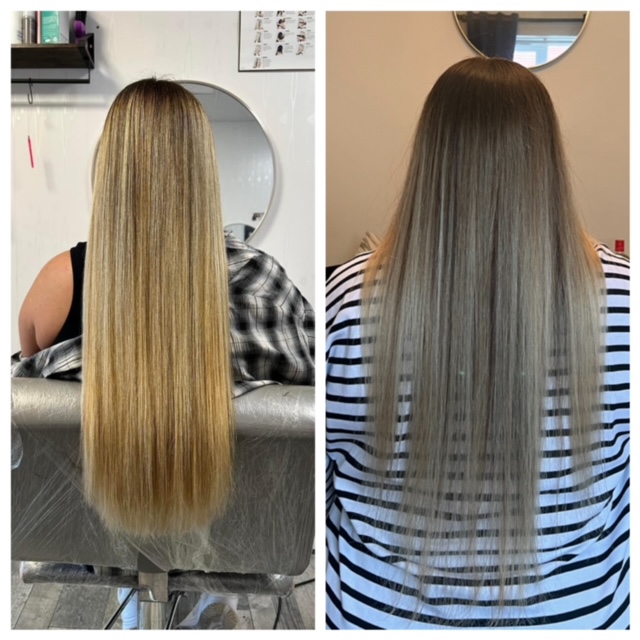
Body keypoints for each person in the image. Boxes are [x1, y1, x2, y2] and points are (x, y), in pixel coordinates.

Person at [326, 58, 629, 629]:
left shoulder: (349, 301)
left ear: (431, 159)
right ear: (548, 162)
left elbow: (326, 478)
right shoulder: (624, 303)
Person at [14, 78, 314, 629]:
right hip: (225, 521)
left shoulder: (62, 281)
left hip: (96, 523)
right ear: (204, 173)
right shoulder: (263, 280)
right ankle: (198, 603)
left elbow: (33, 384)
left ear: (109, 171)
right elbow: (306, 381)